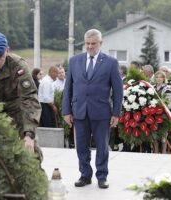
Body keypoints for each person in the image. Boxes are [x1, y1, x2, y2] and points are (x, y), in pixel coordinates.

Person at [62, 29, 123, 189]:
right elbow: (68, 87)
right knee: (81, 146)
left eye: (93, 44)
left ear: (100, 43)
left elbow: (118, 90)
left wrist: (116, 113)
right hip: (79, 111)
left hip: (102, 112)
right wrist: (66, 111)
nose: (90, 47)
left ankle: (102, 176)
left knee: (102, 146)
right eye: (87, 44)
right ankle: (85, 175)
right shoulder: (74, 61)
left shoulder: (111, 63)